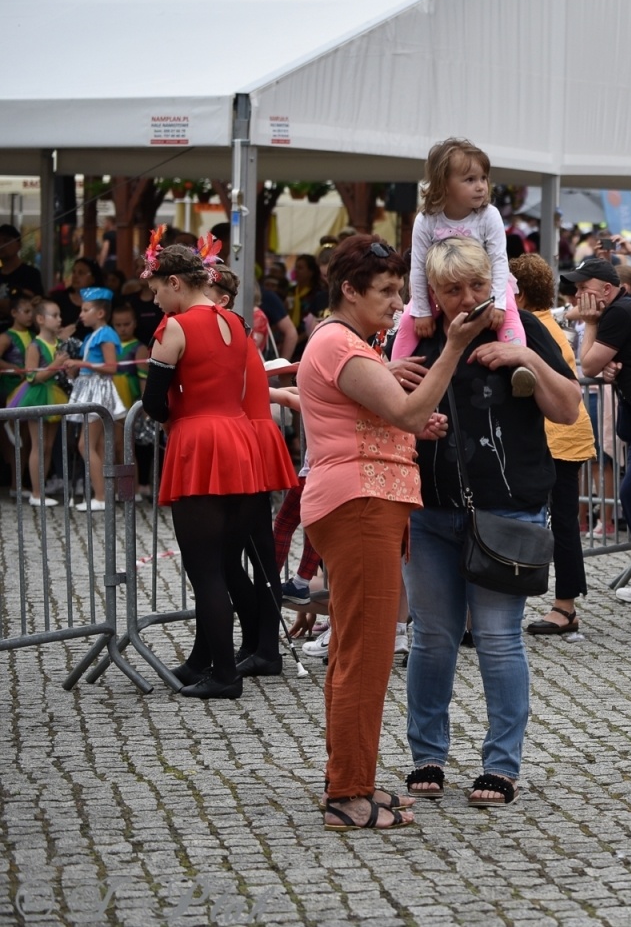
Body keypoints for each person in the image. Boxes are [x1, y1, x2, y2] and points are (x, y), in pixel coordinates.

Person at [298, 234, 489, 831]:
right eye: (383, 291)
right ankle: (347, 794)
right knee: (366, 655)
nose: (394, 302)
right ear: (348, 291)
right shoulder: (340, 343)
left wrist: (409, 430)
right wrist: (452, 349)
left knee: (356, 652)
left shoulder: (347, 344)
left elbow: (381, 419)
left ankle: (349, 779)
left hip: (363, 500)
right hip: (358, 504)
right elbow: (401, 411)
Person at [401, 237, 578, 808]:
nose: (468, 298)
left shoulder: (522, 328)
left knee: (500, 639)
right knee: (431, 639)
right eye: (453, 289)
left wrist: (525, 358)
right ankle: (427, 753)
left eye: (478, 285)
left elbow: (568, 408)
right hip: (431, 509)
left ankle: (501, 765)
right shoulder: (420, 335)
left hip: (506, 509)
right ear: (433, 293)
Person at [138, 234, 270, 701]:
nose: (156, 300)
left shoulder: (175, 328)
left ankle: (223, 675)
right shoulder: (234, 321)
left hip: (198, 440)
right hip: (238, 439)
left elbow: (153, 401)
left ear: (175, 281)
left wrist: (178, 407)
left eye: (157, 290)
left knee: (205, 569)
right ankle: (210, 663)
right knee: (226, 560)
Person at [205, 265, 301, 678]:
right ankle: (257, 641)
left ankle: (262, 645)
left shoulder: (225, 328)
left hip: (249, 435)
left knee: (248, 553)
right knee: (238, 553)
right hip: (247, 431)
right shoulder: (226, 327)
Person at [391, 139, 530, 391]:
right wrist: (421, 310)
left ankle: (519, 367)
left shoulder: (489, 216)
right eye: (470, 180)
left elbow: (499, 260)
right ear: (444, 183)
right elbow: (419, 267)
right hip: (440, 290)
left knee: (510, 315)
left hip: (488, 286)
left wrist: (498, 301)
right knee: (406, 323)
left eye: (483, 178)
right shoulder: (426, 219)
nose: (481, 187)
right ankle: (395, 373)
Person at [570, 256, 631, 595]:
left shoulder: (618, 311)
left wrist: (590, 322)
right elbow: (604, 365)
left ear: (607, 289)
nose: (579, 294)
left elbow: (590, 363)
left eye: (585, 288)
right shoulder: (621, 309)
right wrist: (613, 366)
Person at [512, 254, 599, 638]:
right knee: (557, 522)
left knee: (561, 524)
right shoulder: (542, 322)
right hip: (559, 435)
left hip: (558, 437)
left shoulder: (534, 327)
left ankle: (565, 605)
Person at [63, 287, 123, 512]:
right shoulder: (91, 336)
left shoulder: (107, 334)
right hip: (89, 387)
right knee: (97, 445)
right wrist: (74, 371)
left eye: (85, 309)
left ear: (99, 313)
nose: (81, 314)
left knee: (85, 445)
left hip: (98, 390)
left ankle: (101, 496)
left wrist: (82, 365)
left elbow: (111, 367)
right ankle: (105, 494)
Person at [11, 299, 69, 506]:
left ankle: (41, 489)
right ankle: (36, 493)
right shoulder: (34, 346)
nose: (59, 319)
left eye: (59, 315)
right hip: (37, 395)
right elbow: (32, 377)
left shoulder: (59, 343)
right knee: (38, 444)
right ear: (41, 319)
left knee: (49, 445)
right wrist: (57, 364)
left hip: (55, 393)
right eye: (55, 315)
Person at [0, 224, 45, 304]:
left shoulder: (31, 274)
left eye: (6, 240)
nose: (1, 245)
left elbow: (38, 303)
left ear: (19, 245)